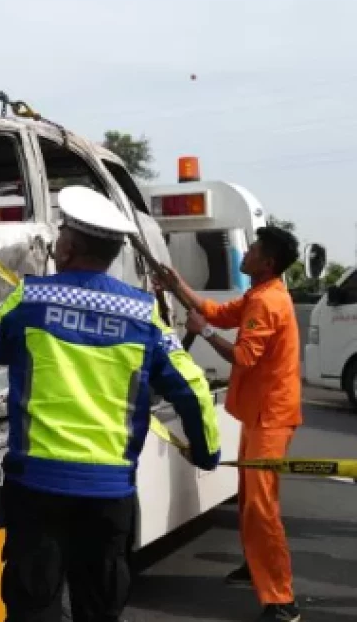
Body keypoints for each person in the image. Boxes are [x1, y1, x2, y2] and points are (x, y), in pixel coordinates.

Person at [0, 186, 221, 622]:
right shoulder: (144, 313)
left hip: (36, 485)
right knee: (99, 606)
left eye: (60, 238)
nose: (55, 245)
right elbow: (193, 388)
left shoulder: (29, 297)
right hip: (108, 492)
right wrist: (207, 453)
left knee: (32, 606)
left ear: (70, 249)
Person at [157, 225, 302, 622]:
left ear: (266, 262)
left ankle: (281, 600)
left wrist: (200, 332)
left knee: (260, 508)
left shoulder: (269, 303)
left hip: (271, 417)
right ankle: (257, 567)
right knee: (250, 499)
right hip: (261, 414)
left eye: (254, 248)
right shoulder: (259, 295)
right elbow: (220, 313)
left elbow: (242, 357)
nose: (247, 251)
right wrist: (177, 285)